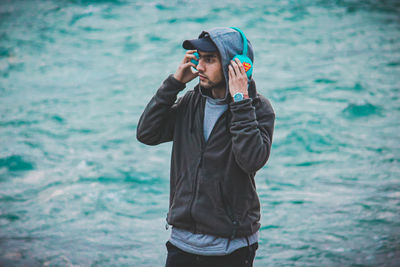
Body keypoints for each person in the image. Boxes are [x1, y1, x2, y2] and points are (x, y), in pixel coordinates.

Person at [136, 27, 275, 267]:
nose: (199, 66)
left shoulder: (258, 109)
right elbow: (147, 133)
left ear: (239, 65)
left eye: (209, 60)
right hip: (181, 243)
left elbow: (251, 160)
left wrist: (240, 101)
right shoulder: (191, 101)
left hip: (231, 248)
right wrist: (173, 84)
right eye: (199, 58)